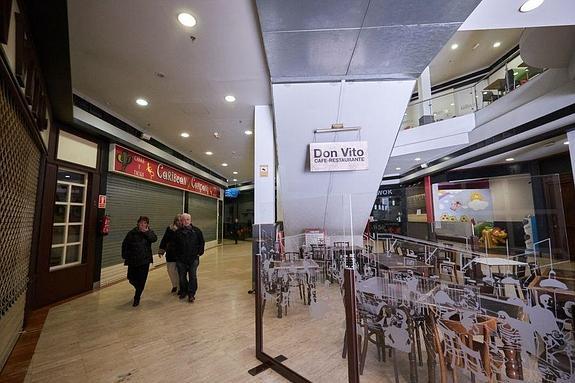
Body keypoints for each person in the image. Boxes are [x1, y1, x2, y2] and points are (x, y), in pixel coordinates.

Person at [121, 216, 157, 307]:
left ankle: (137, 297)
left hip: (145, 260)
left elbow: (154, 239)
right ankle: (138, 288)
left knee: (142, 280)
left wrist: (147, 232)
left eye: (145, 223)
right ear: (138, 223)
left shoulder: (149, 233)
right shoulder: (132, 233)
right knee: (131, 278)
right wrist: (125, 255)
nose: (142, 225)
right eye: (141, 223)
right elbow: (125, 244)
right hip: (133, 260)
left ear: (147, 225)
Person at [174, 213, 205, 302]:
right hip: (181, 260)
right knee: (182, 277)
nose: (185, 221)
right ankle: (184, 291)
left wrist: (200, 253)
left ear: (190, 220)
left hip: (193, 259)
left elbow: (201, 242)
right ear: (181, 221)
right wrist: (177, 256)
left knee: (193, 276)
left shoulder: (197, 231)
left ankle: (191, 294)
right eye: (183, 220)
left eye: (187, 219)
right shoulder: (177, 232)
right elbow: (174, 245)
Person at [159, 214, 181, 294]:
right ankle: (174, 285)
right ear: (175, 221)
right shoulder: (170, 228)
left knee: (179, 272)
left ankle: (179, 287)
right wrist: (162, 249)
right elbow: (165, 239)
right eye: (177, 220)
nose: (179, 222)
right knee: (170, 271)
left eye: (180, 220)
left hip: (180, 254)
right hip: (171, 253)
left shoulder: (184, 229)